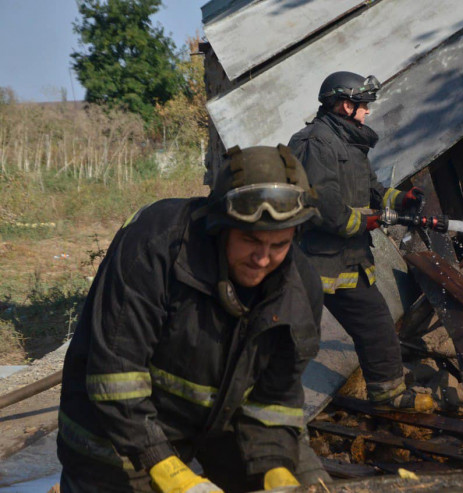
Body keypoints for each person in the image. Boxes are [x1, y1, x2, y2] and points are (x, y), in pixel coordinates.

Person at [57, 145, 329, 492]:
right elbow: (116, 377)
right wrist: (171, 473)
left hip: (200, 429)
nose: (263, 259)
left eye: (279, 244)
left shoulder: (300, 289)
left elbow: (274, 402)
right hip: (108, 439)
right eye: (250, 240)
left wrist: (274, 467)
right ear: (220, 227)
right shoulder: (157, 247)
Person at [288, 71, 435, 413]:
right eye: (363, 105)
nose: (368, 112)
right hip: (316, 260)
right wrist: (363, 220)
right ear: (344, 105)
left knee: (374, 322)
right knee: (296, 333)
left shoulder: (350, 145)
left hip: (348, 257)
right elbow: (322, 206)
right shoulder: (315, 144)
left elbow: (374, 191)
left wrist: (403, 200)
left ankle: (386, 392)